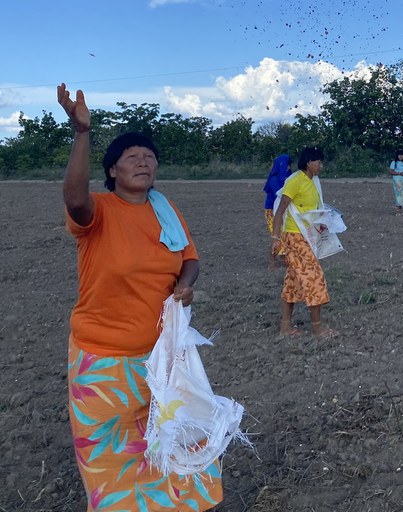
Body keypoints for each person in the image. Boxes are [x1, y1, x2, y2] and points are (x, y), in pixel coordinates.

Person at [56, 83, 223, 510]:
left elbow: (190, 257)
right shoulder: (98, 211)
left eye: (149, 157)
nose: (143, 161)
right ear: (112, 171)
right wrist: (81, 134)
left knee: (180, 443)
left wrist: (187, 284)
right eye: (132, 157)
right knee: (115, 465)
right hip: (105, 363)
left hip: (164, 360)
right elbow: (74, 200)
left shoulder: (166, 210)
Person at [271, 146, 338, 338]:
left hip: (308, 235)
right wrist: (275, 238)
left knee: (293, 281)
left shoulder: (314, 181)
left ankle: (285, 326)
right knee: (314, 277)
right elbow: (281, 210)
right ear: (308, 162)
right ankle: (317, 328)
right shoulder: (295, 181)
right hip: (294, 236)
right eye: (318, 162)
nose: (321, 166)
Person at [263, 153, 292, 262]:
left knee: (285, 235)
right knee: (276, 235)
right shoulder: (274, 180)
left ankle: (285, 259)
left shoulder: (288, 177)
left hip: (283, 210)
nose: (288, 167)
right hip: (272, 211)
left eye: (289, 165)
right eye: (286, 165)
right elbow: (280, 195)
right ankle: (272, 262)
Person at [389, 149, 403, 214]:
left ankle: (400, 208)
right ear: (397, 156)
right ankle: (398, 209)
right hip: (397, 180)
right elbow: (391, 172)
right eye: (399, 155)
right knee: (399, 194)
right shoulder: (394, 163)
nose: (401, 156)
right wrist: (400, 173)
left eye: (402, 155)